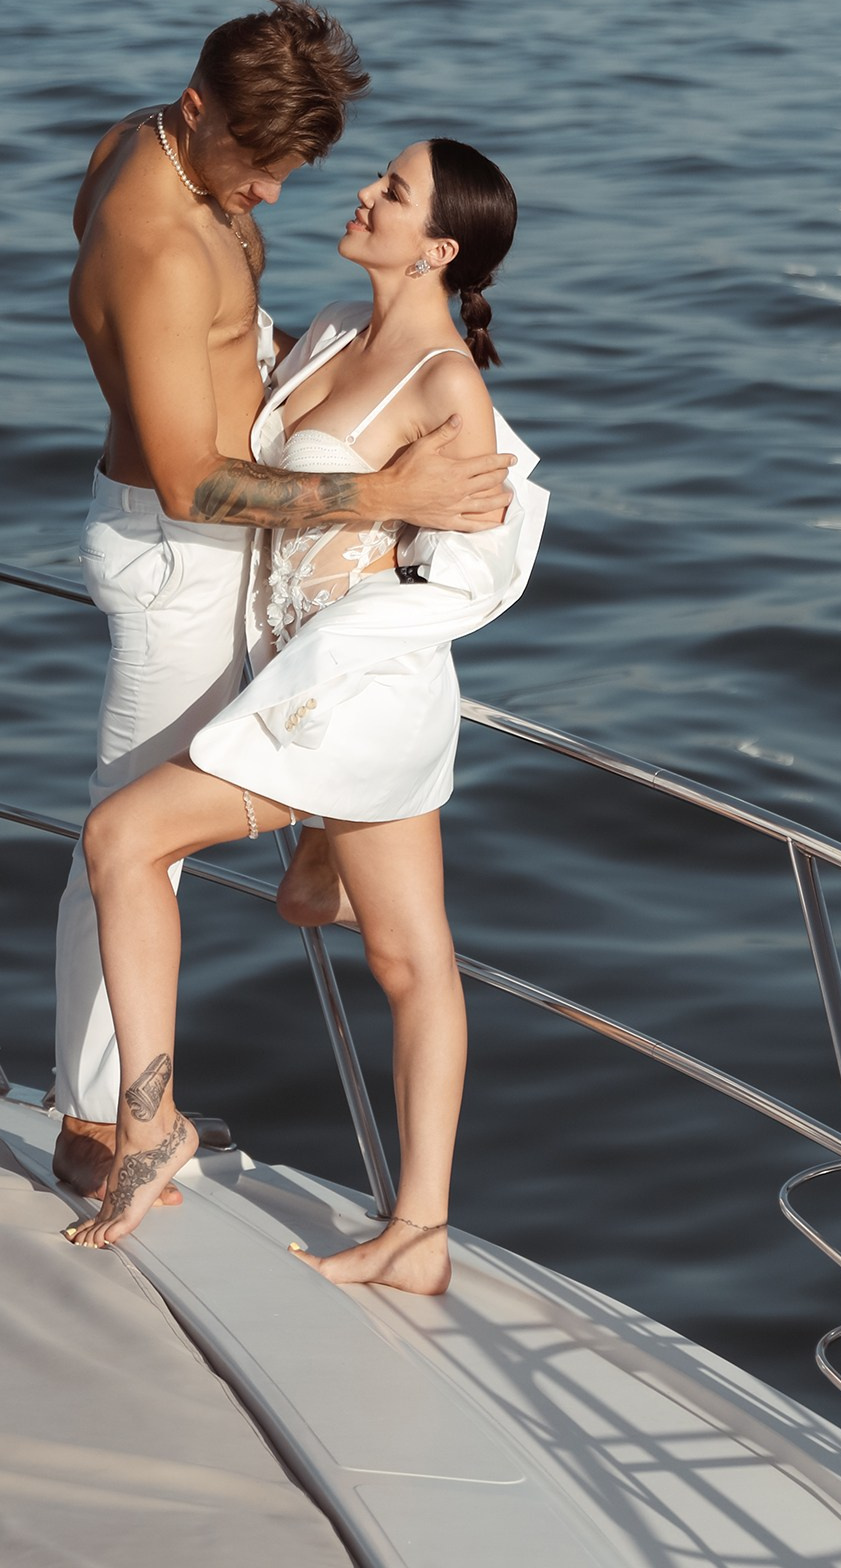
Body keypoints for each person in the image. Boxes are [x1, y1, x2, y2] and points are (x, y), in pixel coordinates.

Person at [66, 135, 547, 1293]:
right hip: (306, 684)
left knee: (120, 838)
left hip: (353, 698)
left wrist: (324, 691)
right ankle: (417, 1241)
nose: (365, 194)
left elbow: (466, 583)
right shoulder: (333, 325)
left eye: (392, 192)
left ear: (437, 248)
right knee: (405, 958)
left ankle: (149, 1127)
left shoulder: (446, 388)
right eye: (376, 175)